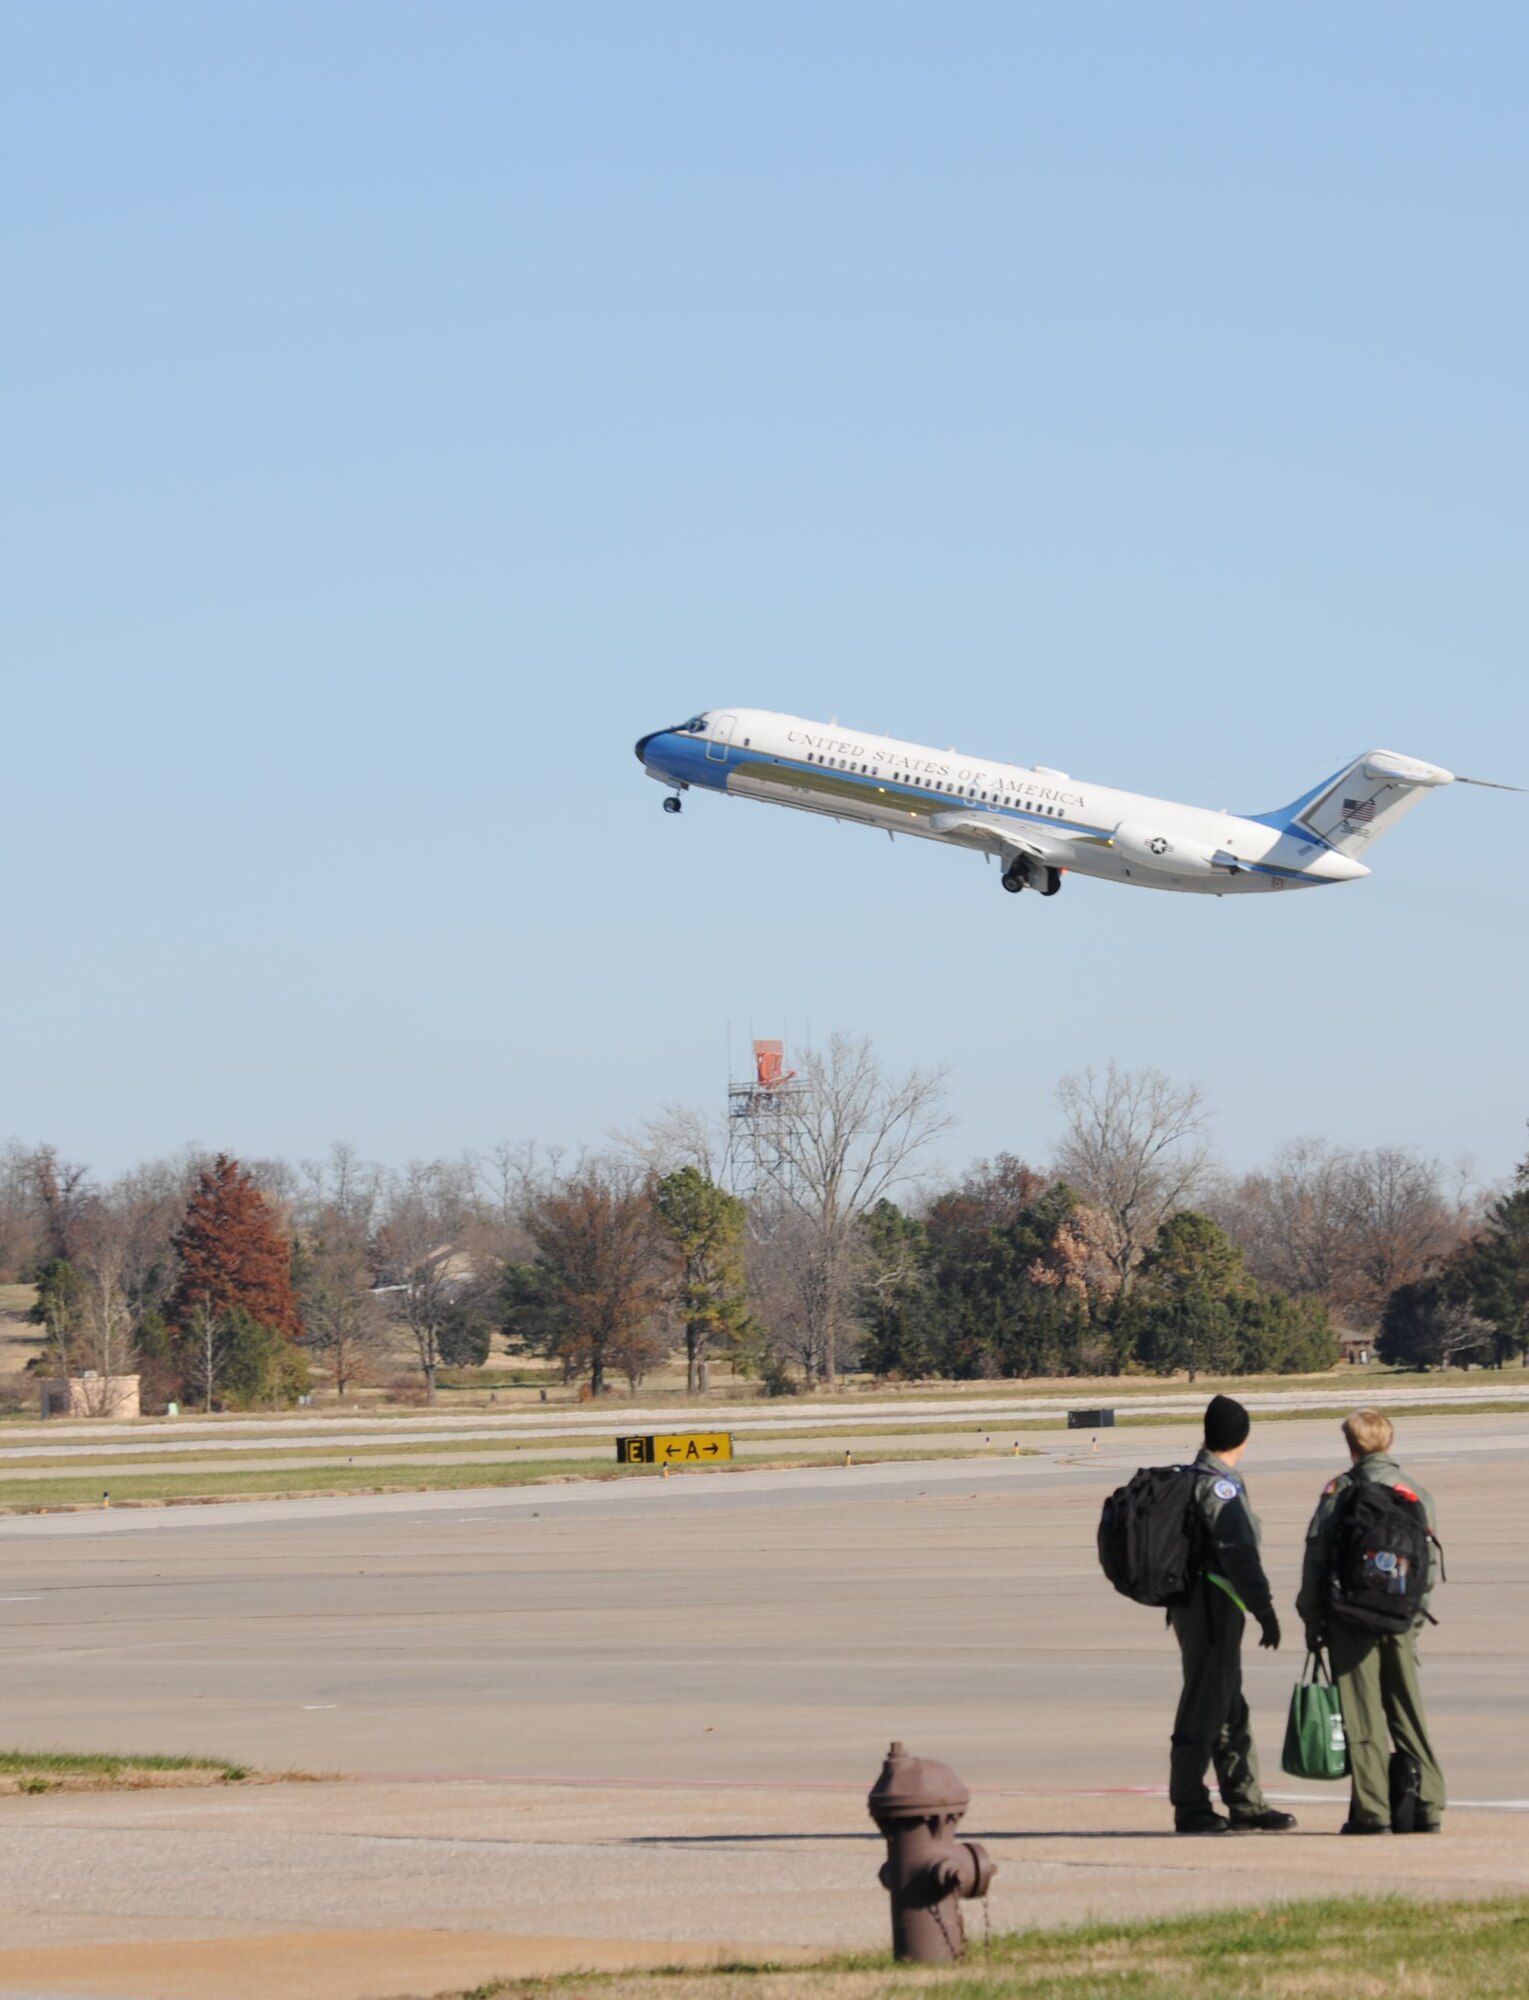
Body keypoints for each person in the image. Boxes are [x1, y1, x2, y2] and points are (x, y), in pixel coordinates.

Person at [1296, 1409, 1445, 1835]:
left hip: (1351, 1619)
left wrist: (1312, 1619)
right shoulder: (1414, 1491)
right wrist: (1412, 1620)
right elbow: (1428, 1566)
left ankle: (1373, 1811)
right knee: (1408, 1713)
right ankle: (1430, 1803)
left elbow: (1317, 1558)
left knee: (1362, 1718)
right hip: (1400, 1616)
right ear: (1389, 1444)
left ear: (1351, 1447)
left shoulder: (1340, 1491)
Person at [1170, 1394, 1297, 1834]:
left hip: (1199, 1605)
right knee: (1205, 1705)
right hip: (1213, 1607)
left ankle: (1245, 1800)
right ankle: (1190, 1805)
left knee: (1228, 1705)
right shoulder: (1219, 1485)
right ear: (1242, 1437)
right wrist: (1265, 1610)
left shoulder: (1194, 1476)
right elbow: (1239, 1554)